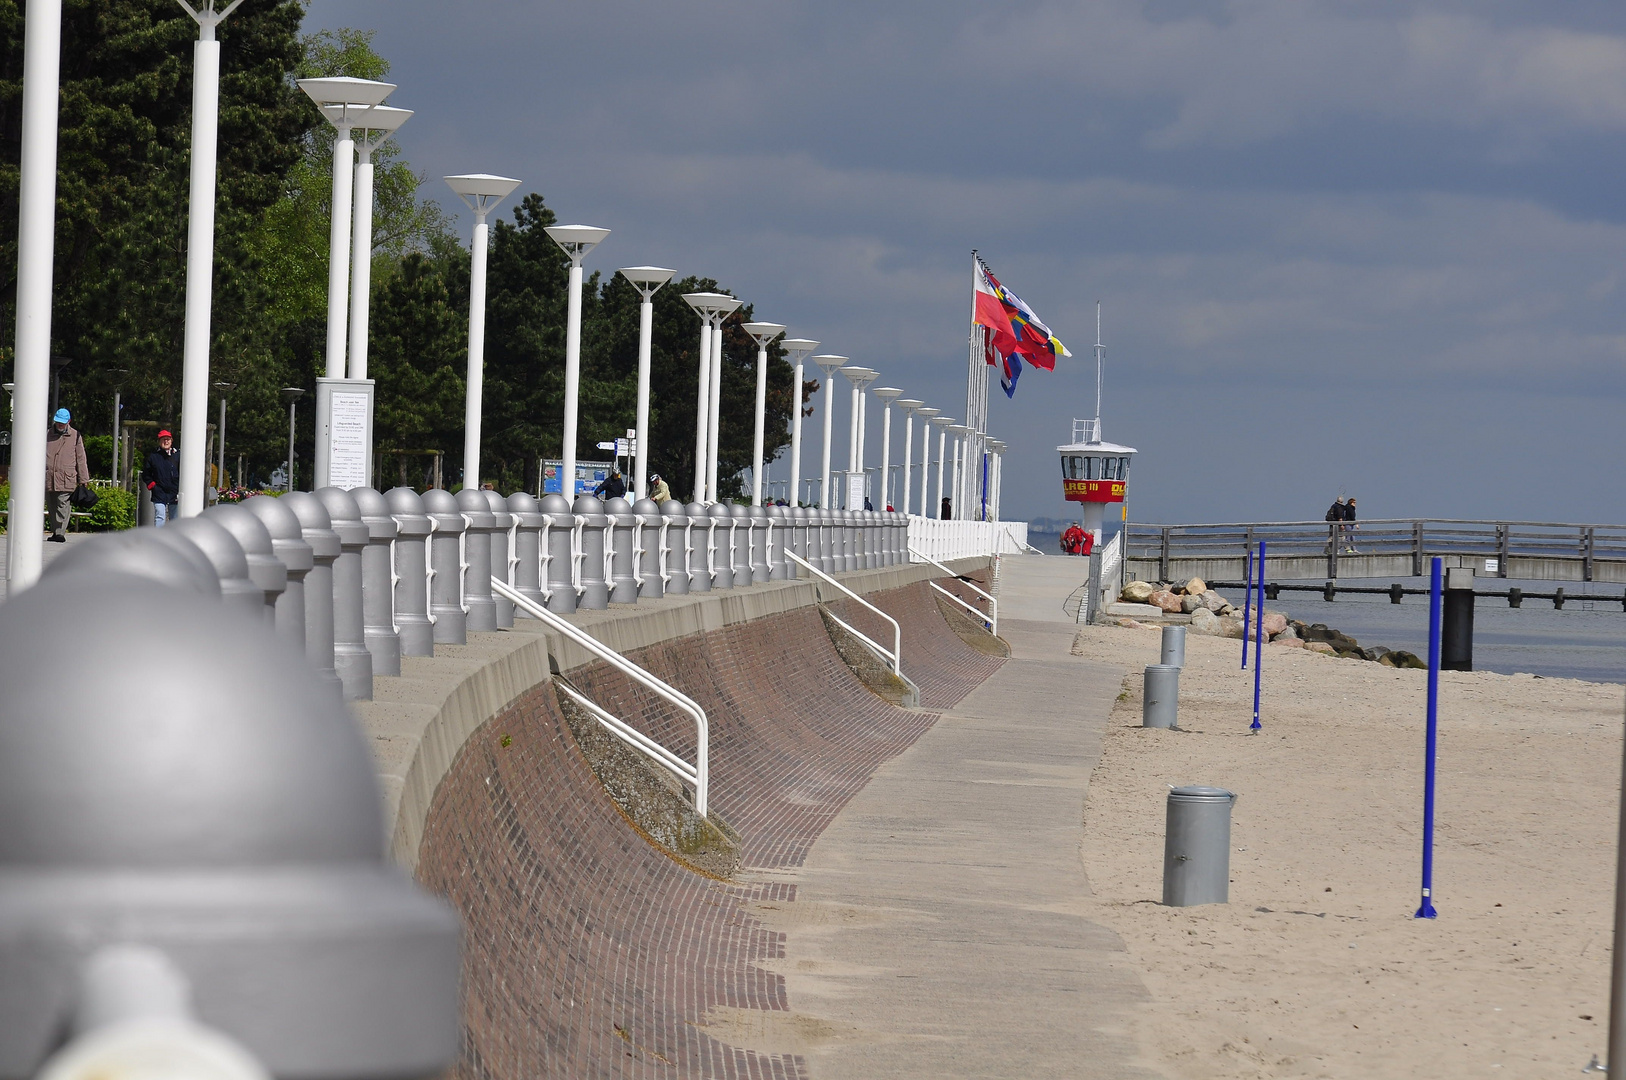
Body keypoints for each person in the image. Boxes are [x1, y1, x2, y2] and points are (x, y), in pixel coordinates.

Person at [44, 408, 90, 543]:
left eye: (63, 422)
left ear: (69, 422)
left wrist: (84, 478)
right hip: (49, 477)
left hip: (67, 477)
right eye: (58, 422)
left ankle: (60, 533)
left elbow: (81, 458)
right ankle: (55, 531)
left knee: (62, 505)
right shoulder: (46, 434)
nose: (60, 425)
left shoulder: (76, 436)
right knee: (52, 506)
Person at [142, 429, 180, 527]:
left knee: (174, 518)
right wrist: (152, 485)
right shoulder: (153, 456)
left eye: (168, 439)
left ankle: (173, 539)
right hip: (159, 492)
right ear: (159, 441)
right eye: (163, 439)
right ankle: (159, 539)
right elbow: (146, 473)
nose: (166, 441)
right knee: (160, 517)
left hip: (174, 492)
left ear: (171, 441)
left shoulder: (178, 455)